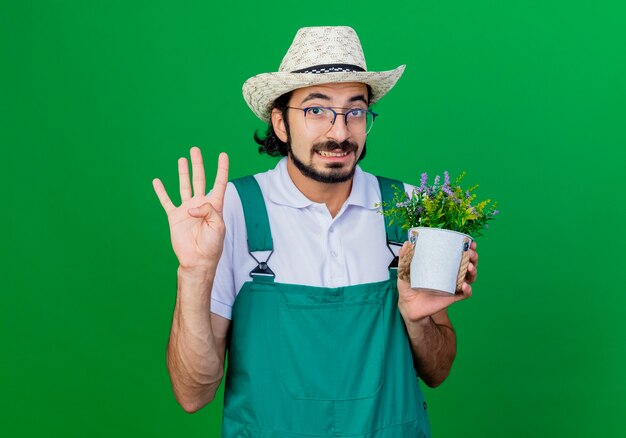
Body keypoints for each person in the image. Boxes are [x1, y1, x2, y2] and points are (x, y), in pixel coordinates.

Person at [153, 26, 479, 437]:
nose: (339, 132)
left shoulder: (410, 208)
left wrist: (417, 320)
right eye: (316, 110)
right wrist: (195, 274)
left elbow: (438, 370)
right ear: (280, 122)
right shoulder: (230, 213)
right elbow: (192, 394)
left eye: (355, 111)